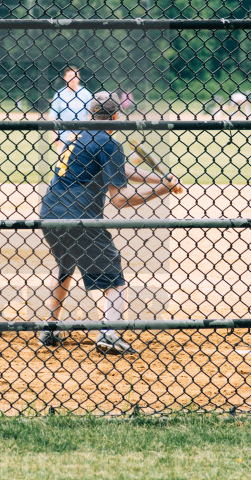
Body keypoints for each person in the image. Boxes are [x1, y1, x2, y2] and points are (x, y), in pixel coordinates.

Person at [37, 92, 182, 355]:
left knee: (65, 267)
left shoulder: (77, 134)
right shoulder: (110, 143)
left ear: (90, 114)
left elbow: (117, 169)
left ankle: (49, 326)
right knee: (114, 277)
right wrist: (162, 189)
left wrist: (157, 179)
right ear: (116, 117)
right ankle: (108, 333)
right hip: (81, 217)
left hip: (50, 212)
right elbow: (120, 200)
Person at [48, 65, 93, 156]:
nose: (73, 78)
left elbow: (91, 115)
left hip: (82, 136)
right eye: (69, 76)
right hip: (64, 137)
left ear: (79, 77)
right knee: (63, 165)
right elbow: (53, 117)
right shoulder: (59, 95)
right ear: (64, 78)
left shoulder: (86, 94)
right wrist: (55, 136)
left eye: (75, 75)